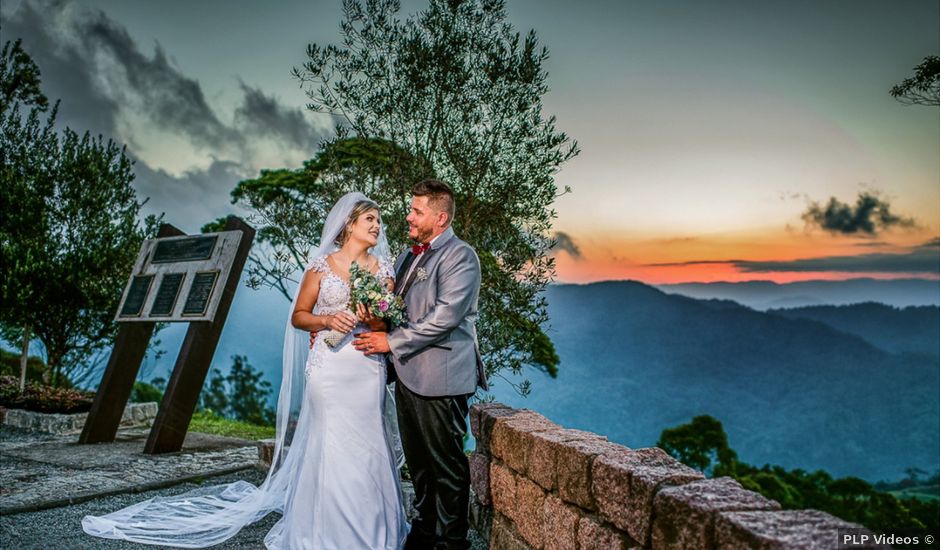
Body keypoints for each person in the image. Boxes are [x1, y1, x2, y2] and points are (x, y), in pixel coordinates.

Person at [82, 192, 408, 549]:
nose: (377, 226)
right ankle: (326, 532)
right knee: (331, 443)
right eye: (370, 220)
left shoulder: (383, 270)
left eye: (379, 221)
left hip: (365, 366)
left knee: (368, 443)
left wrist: (368, 313)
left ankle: (376, 531)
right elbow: (299, 316)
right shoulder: (321, 267)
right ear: (349, 224)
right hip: (328, 369)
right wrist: (328, 318)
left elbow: (382, 326)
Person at [353, 179, 488, 550]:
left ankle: (451, 541)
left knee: (446, 468)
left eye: (417, 211)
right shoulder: (408, 255)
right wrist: (375, 315)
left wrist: (389, 340)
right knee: (420, 465)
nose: (408, 216)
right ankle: (425, 531)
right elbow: (396, 306)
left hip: (442, 377)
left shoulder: (461, 256)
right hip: (408, 374)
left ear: (440, 217)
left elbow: (445, 317)